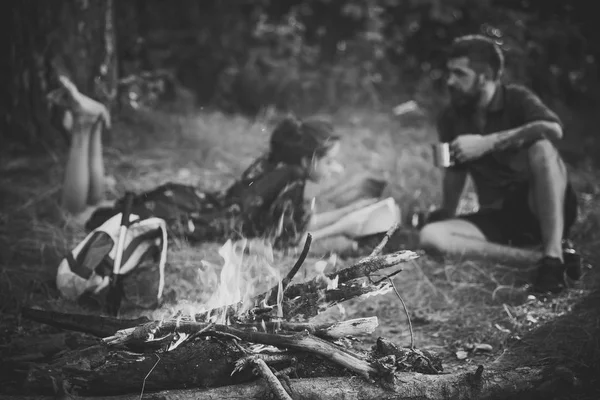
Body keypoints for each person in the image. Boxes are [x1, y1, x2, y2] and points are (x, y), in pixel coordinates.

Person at [52, 75, 393, 252]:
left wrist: (352, 212)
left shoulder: (280, 168)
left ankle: (91, 125)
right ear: (308, 160)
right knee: (76, 215)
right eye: (331, 162)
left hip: (190, 203)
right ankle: (85, 128)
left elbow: (300, 221)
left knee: (99, 205)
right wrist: (345, 226)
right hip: (189, 219)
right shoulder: (290, 182)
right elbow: (287, 242)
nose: (337, 169)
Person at [418, 35, 580, 294]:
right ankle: (544, 261)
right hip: (498, 216)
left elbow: (553, 129)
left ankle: (552, 250)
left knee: (542, 148)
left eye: (460, 74)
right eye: (450, 73)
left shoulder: (516, 99)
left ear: (484, 77)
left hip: (540, 206)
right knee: (431, 236)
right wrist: (446, 213)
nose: (450, 81)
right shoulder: (451, 116)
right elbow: (454, 172)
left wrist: (488, 142)